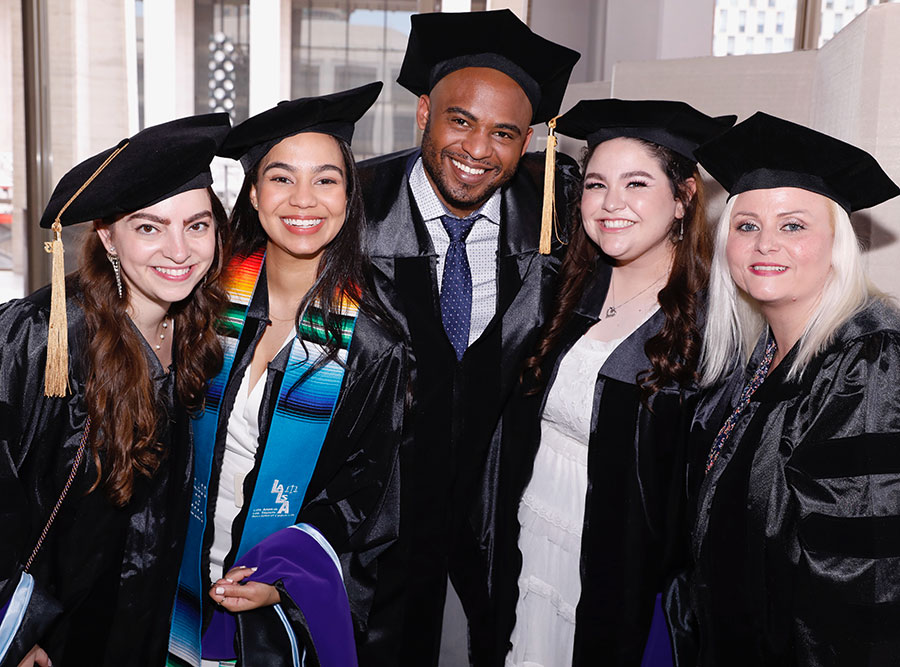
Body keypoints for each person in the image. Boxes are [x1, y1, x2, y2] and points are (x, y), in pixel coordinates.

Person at [357, 10, 581, 664]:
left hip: (502, 502)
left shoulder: (558, 214)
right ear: (424, 112)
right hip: (376, 505)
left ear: (529, 140)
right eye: (461, 120)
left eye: (505, 133)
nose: (479, 149)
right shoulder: (351, 205)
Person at [165, 83, 408, 667]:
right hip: (165, 583)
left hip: (273, 613)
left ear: (350, 197)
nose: (304, 199)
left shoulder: (379, 340)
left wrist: (284, 583)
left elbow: (370, 498)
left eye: (326, 179)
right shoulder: (199, 303)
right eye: (281, 177)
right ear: (252, 193)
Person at [484, 99, 734, 667]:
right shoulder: (562, 293)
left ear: (683, 197)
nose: (611, 203)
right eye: (596, 184)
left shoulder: (712, 326)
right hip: (530, 533)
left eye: (637, 183)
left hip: (617, 567)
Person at [0, 114, 231, 666]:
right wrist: (14, 627)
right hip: (56, 630)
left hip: (150, 619)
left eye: (197, 226)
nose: (179, 251)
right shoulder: (45, 335)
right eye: (149, 227)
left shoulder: (199, 333)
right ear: (107, 236)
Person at [673, 112, 900, 665]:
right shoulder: (757, 356)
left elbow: (860, 577)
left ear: (837, 244)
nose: (764, 244)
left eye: (793, 225)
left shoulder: (868, 363)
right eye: (746, 225)